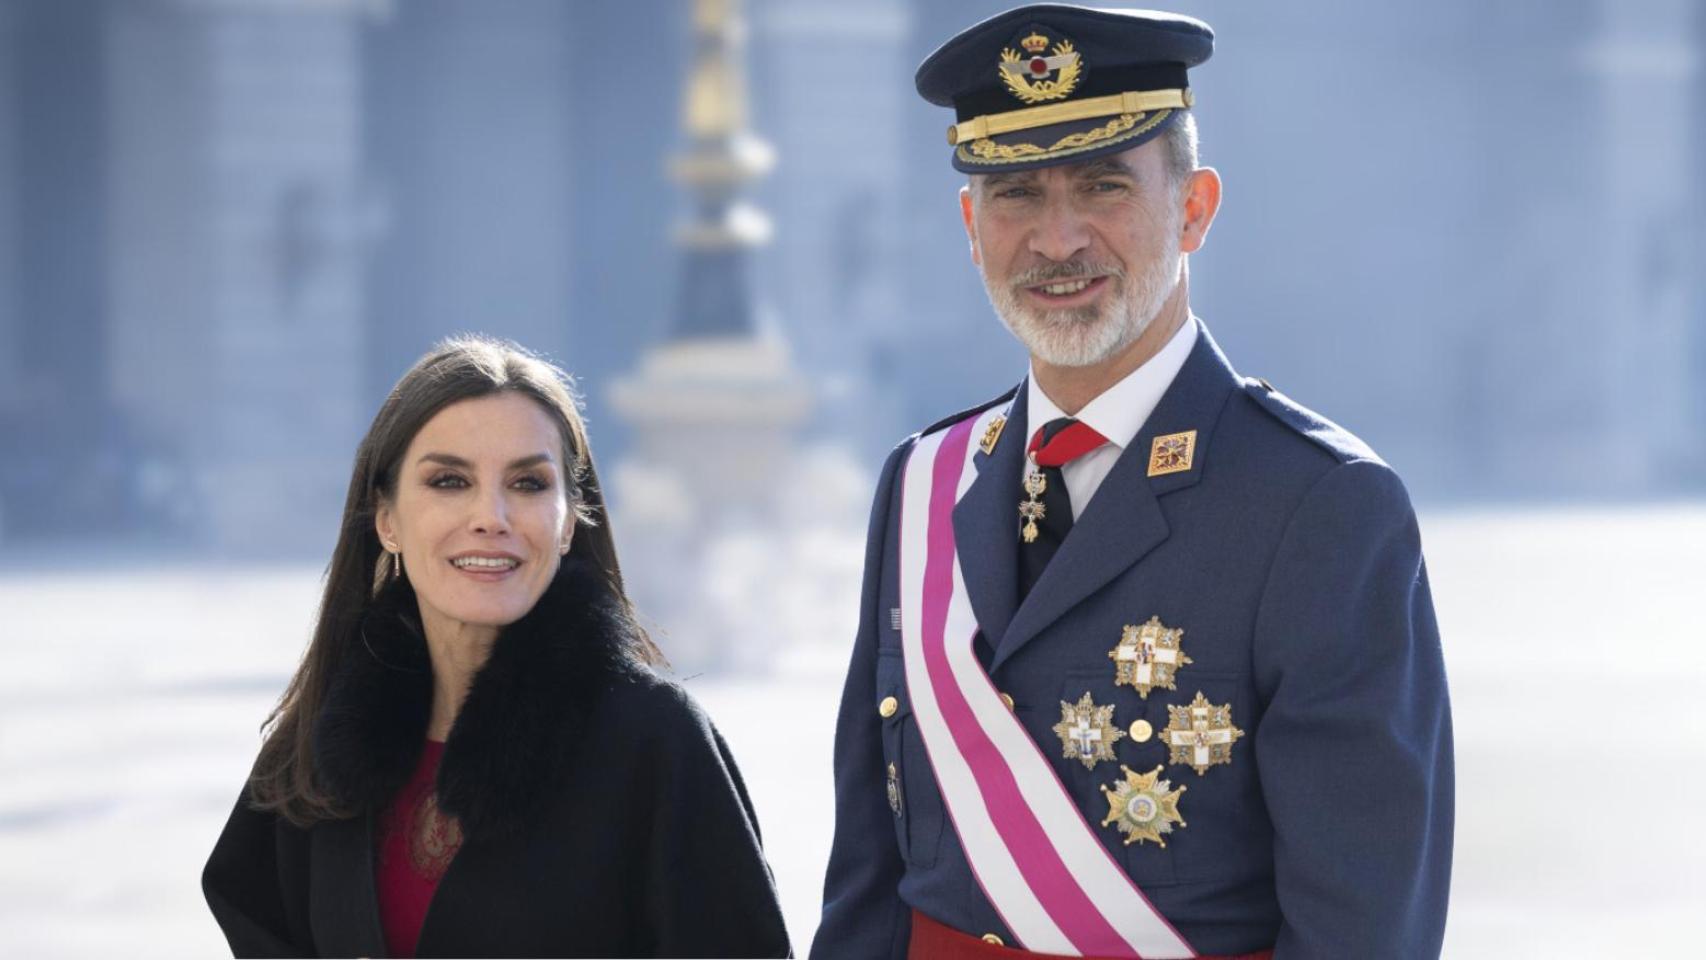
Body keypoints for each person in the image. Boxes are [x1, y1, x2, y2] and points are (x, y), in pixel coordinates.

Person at [814, 6, 1452, 959]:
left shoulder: (1321, 507)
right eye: (1016, 194)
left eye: (1103, 185)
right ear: (969, 224)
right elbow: (870, 882)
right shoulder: (922, 483)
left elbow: (1364, 925)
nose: (1057, 238)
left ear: (1194, 209)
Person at [203, 336, 792, 958]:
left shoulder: (655, 743)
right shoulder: (318, 746)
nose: (492, 516)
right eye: (450, 480)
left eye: (529, 483)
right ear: (387, 520)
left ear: (568, 521)